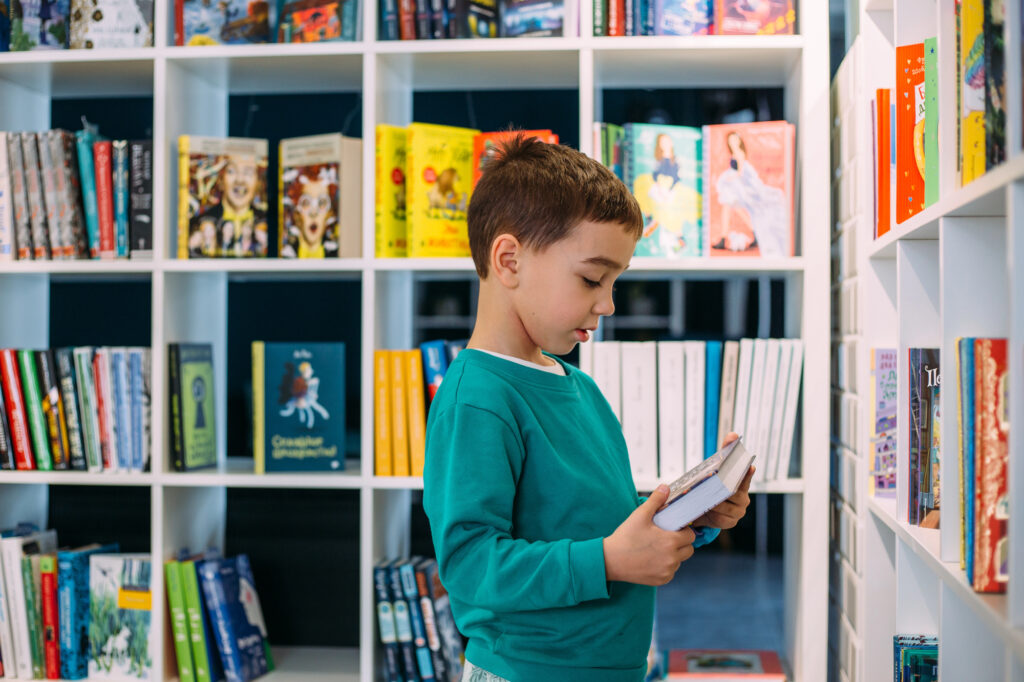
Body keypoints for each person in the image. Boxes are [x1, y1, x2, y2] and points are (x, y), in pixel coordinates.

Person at [422, 134, 754, 682]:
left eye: (615, 281)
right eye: (592, 278)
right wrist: (607, 561)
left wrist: (693, 516)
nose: (609, 303)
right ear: (509, 260)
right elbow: (470, 565)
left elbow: (600, 522)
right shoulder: (476, 398)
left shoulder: (579, 387)